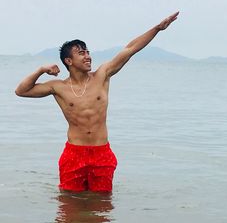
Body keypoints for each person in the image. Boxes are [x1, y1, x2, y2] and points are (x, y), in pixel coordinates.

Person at [15, 12, 179, 192]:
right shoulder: (58, 87)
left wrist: (157, 29)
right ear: (69, 61)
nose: (87, 56)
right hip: (74, 153)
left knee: (101, 208)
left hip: (101, 152)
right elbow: (21, 91)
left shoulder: (102, 75)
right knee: (69, 207)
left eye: (88, 52)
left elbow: (130, 49)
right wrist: (40, 70)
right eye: (81, 53)